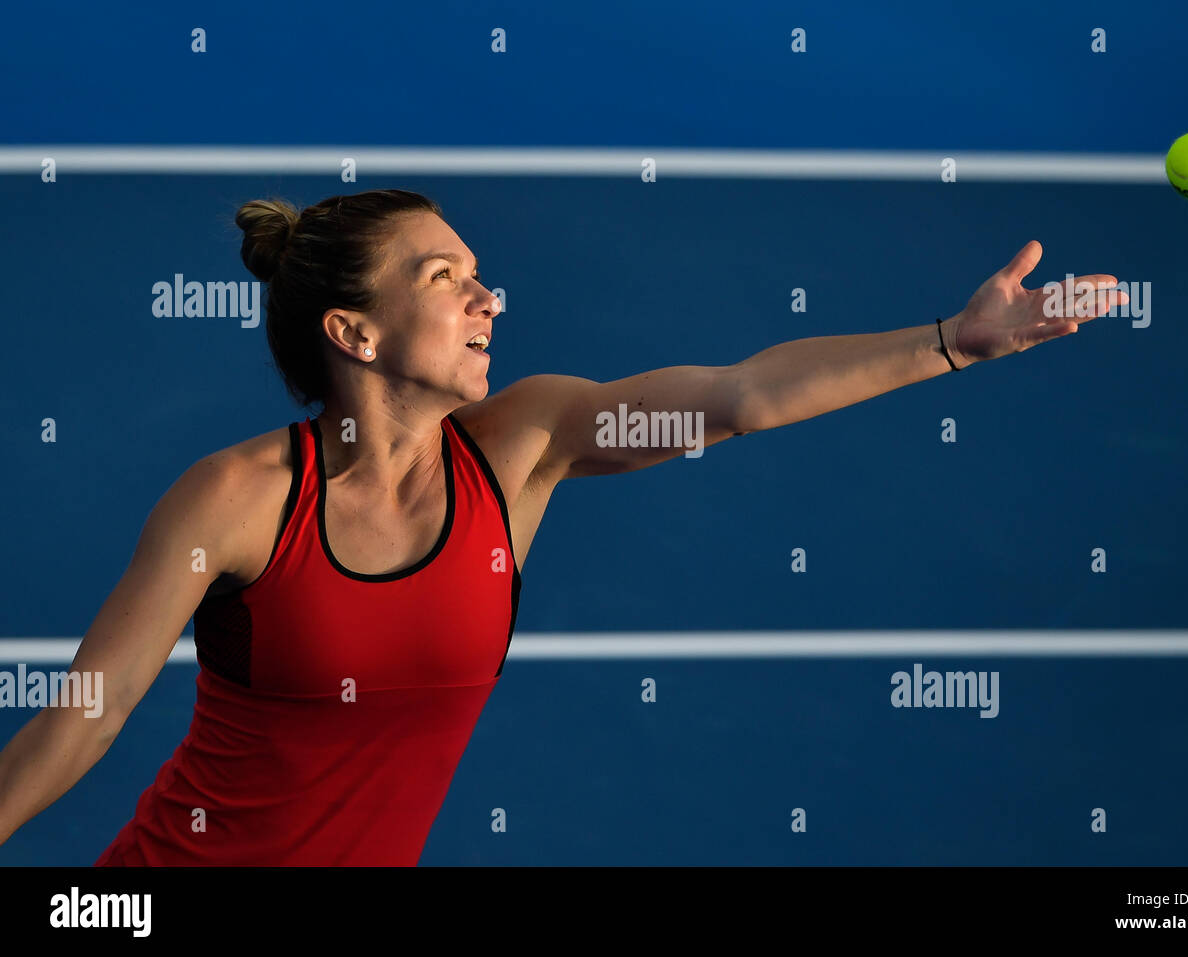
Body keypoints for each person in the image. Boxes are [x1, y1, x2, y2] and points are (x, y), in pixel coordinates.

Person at [0, 188, 1128, 864]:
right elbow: (86, 721)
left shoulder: (525, 444)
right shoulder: (239, 499)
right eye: (445, 278)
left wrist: (947, 341)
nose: (486, 297)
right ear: (355, 331)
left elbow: (742, 398)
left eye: (481, 274)